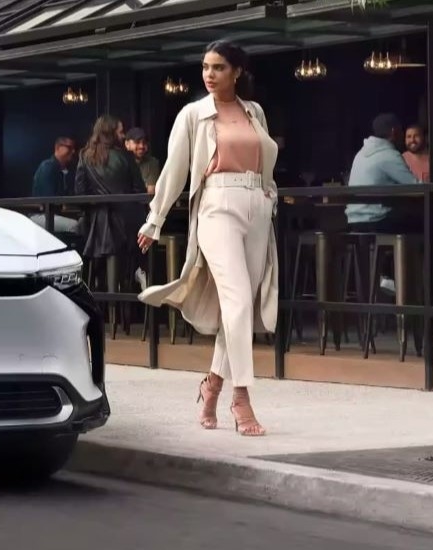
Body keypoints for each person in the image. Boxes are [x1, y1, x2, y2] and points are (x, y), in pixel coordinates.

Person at [136, 40, 279, 437]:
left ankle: (211, 385)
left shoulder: (255, 112)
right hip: (217, 206)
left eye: (218, 67)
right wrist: (155, 219)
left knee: (240, 308)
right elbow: (175, 169)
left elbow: (264, 160)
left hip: (257, 206)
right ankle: (242, 397)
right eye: (205, 67)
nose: (209, 75)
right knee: (234, 299)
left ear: (237, 72)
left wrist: (269, 195)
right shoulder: (192, 114)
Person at [77, 114, 149, 290]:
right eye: (120, 131)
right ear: (110, 133)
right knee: (132, 262)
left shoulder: (85, 156)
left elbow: (80, 193)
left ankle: (101, 301)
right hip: (125, 227)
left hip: (95, 228)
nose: (123, 135)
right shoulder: (125, 157)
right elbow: (139, 191)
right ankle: (127, 307)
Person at [345, 113, 420, 234]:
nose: (402, 134)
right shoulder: (389, 154)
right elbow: (416, 188)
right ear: (393, 131)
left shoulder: (360, 154)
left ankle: (391, 252)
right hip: (376, 220)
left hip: (354, 219)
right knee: (428, 222)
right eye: (401, 130)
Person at [30, 137, 80, 233]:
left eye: (74, 148)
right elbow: (48, 198)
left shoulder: (62, 170)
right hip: (41, 215)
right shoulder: (48, 166)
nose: (73, 151)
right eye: (69, 147)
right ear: (57, 148)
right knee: (74, 226)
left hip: (52, 214)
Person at [123, 127, 162, 194]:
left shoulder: (152, 162)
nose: (141, 146)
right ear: (127, 144)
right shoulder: (120, 162)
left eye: (144, 142)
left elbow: (151, 191)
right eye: (137, 142)